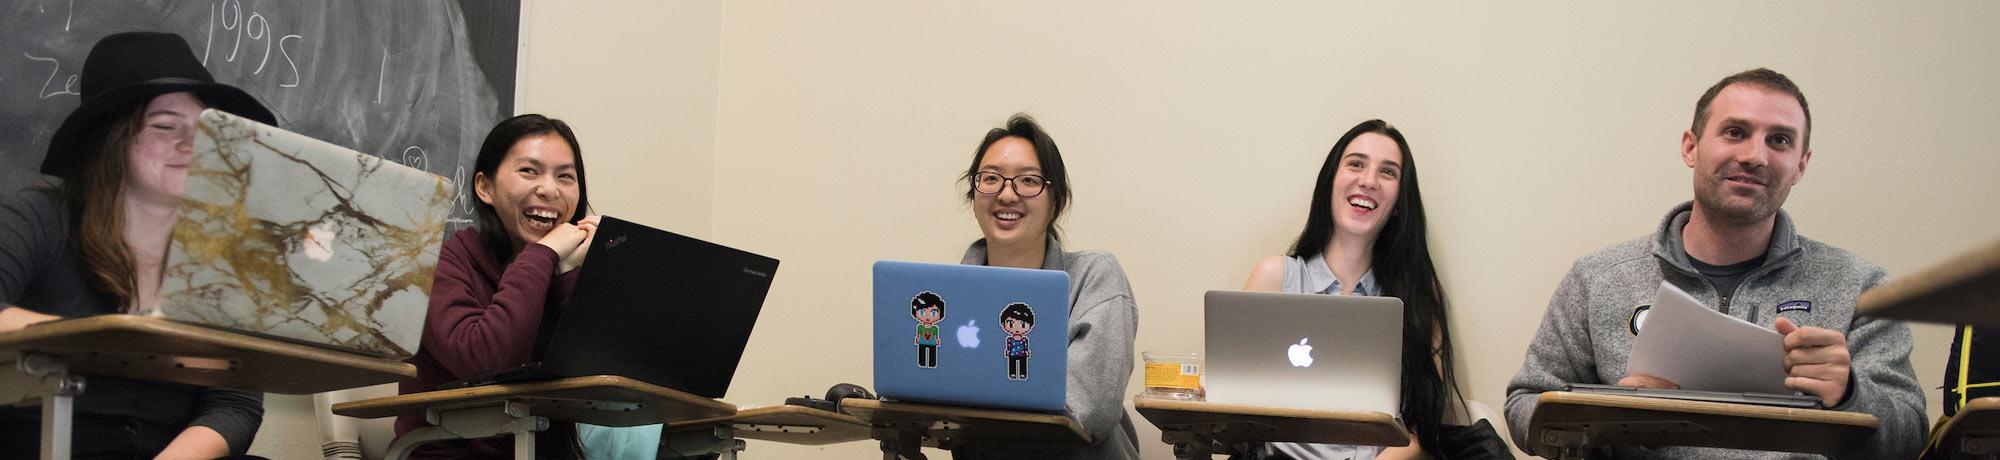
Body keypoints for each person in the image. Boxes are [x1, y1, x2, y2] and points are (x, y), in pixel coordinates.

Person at [1503, 68, 1927, 458]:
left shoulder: (1861, 286)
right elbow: (1525, 405)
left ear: (1800, 164)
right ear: (1691, 147)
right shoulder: (1597, 279)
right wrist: (1608, 419)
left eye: (1779, 140)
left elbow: (1910, 438)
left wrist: (1850, 394)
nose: (1755, 156)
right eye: (1735, 132)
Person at [0, 31, 271, 457]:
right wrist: (101, 340)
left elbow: (234, 404)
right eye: (165, 126)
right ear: (112, 138)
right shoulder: (42, 216)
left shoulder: (220, 257)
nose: (191, 144)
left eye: (205, 129)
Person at [396, 114, 659, 459]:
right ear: (484, 187)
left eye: (565, 176)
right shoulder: (441, 264)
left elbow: (601, 378)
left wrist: (566, 273)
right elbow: (483, 361)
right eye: (529, 171)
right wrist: (543, 254)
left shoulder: (568, 268)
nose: (549, 189)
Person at [1239, 120, 1487, 459]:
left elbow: (1418, 434)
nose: (1368, 181)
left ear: (1400, 201)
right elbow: (1232, 405)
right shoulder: (1274, 277)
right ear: (1331, 181)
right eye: (1356, 163)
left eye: (1388, 172)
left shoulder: (1417, 298)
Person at [950, 114, 1141, 459]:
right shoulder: (950, 294)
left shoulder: (1095, 276)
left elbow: (1086, 406)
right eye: (990, 179)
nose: (1007, 195)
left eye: (1028, 181)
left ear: (1057, 200)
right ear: (973, 194)